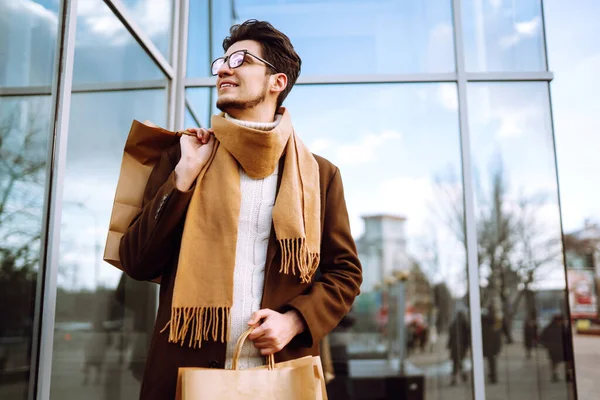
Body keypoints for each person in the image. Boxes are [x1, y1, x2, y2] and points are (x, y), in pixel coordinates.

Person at [119, 19, 363, 399]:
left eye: (241, 59)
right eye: (222, 61)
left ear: (276, 82)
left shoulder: (319, 175)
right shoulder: (184, 156)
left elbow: (344, 272)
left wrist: (295, 320)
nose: (224, 69)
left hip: (281, 374)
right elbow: (136, 262)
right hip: (188, 373)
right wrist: (183, 177)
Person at [447, 310, 470, 385]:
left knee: (457, 362)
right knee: (458, 362)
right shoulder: (464, 324)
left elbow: (451, 336)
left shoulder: (454, 323)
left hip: (456, 346)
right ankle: (461, 376)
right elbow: (467, 336)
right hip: (461, 346)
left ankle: (458, 377)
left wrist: (449, 345)